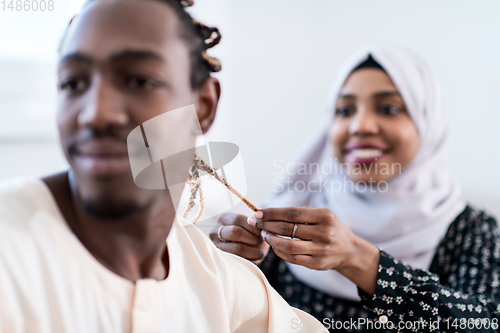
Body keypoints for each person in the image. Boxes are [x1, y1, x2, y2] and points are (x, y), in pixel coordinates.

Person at [0, 0, 328, 332]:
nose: (96, 114)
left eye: (139, 81)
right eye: (72, 83)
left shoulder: (217, 282)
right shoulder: (11, 253)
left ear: (203, 106)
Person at [211, 45, 500, 332]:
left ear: (427, 122)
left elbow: (484, 325)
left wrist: (360, 259)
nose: (360, 126)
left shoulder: (473, 232)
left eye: (388, 108)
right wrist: (229, 267)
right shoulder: (290, 218)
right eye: (345, 110)